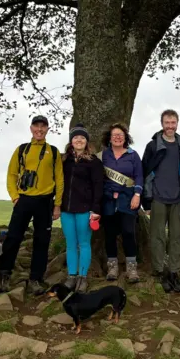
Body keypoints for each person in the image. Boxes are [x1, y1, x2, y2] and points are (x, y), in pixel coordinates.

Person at [0, 115, 64, 296]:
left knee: (42, 241)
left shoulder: (54, 152)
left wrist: (57, 204)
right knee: (13, 238)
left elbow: (60, 179)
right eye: (36, 126)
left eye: (43, 126)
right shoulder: (22, 150)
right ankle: (3, 275)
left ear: (48, 129)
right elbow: (11, 174)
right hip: (23, 199)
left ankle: (35, 278)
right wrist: (15, 197)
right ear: (31, 128)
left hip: (45, 201)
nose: (39, 129)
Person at [142, 109, 180, 293]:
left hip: (177, 199)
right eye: (167, 123)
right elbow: (145, 173)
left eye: (173, 123)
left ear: (177, 123)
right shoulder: (153, 146)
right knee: (157, 237)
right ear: (162, 124)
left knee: (177, 238)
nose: (170, 126)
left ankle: (173, 272)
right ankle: (160, 270)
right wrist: (146, 201)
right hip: (157, 198)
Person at [60, 123, 104, 293]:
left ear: (87, 142)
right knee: (70, 244)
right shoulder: (64, 161)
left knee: (84, 243)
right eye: (76, 137)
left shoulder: (94, 162)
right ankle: (71, 276)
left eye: (82, 138)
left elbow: (98, 187)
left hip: (85, 210)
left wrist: (95, 209)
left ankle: (82, 277)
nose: (79, 140)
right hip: (66, 210)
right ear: (71, 141)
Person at [100, 123, 144, 283]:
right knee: (110, 234)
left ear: (125, 137)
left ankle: (131, 268)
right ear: (109, 138)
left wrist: (137, 194)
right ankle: (112, 266)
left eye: (121, 135)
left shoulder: (133, 155)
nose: (117, 137)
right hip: (108, 200)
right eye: (114, 135)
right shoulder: (104, 155)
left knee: (128, 232)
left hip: (128, 199)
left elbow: (139, 176)